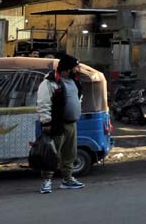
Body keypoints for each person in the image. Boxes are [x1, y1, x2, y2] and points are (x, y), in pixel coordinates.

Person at [36, 53, 86, 194]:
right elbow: (43, 104)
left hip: (71, 124)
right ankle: (46, 181)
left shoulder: (75, 81)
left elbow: (78, 98)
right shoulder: (50, 82)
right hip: (56, 125)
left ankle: (67, 179)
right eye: (75, 66)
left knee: (70, 153)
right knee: (51, 154)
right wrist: (46, 122)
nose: (77, 69)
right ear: (68, 68)